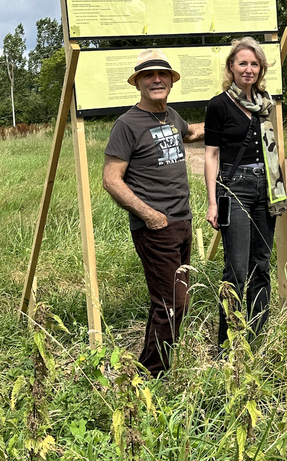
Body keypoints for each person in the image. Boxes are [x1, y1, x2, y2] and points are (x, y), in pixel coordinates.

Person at [103, 49, 204, 376]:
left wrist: (232, 115)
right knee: (174, 304)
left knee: (168, 302)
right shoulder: (127, 125)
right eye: (149, 75)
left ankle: (148, 365)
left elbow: (192, 133)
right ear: (138, 83)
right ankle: (153, 376)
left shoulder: (172, 117)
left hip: (182, 222)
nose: (156, 79)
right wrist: (149, 215)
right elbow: (111, 179)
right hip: (155, 228)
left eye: (162, 74)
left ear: (171, 81)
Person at [205, 37, 287, 351]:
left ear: (261, 69)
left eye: (254, 64)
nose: (248, 69)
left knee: (261, 265)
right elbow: (211, 155)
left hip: (266, 187)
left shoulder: (266, 104)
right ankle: (227, 345)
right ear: (231, 67)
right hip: (234, 187)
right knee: (236, 269)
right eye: (243, 63)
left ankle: (255, 338)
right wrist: (213, 201)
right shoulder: (219, 104)